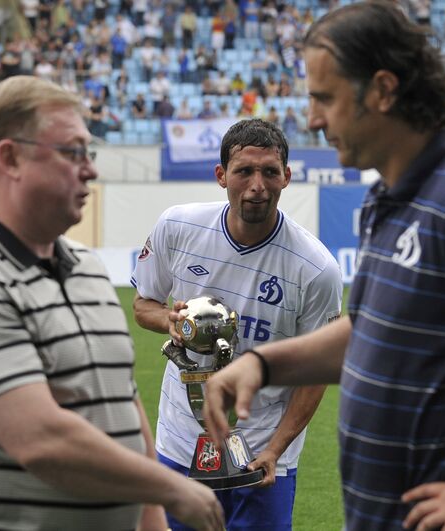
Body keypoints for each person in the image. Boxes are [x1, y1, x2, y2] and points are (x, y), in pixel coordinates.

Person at [203, 3, 445, 531]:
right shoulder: (388, 201)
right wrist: (263, 365)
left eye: (325, 98)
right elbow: (373, 332)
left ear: (383, 90)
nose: (314, 119)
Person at [0, 75, 224, 531]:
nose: (91, 170)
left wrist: (152, 520)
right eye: (72, 152)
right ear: (10, 159)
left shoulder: (88, 268)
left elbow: (123, 402)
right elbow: (38, 439)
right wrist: (169, 486)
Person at [132, 118, 343, 531]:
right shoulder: (178, 227)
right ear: (221, 175)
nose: (257, 185)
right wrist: (171, 322)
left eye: (269, 171)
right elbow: (143, 304)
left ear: (287, 176)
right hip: (179, 440)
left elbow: (315, 374)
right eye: (244, 170)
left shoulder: (317, 268)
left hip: (264, 451)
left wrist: (277, 451)